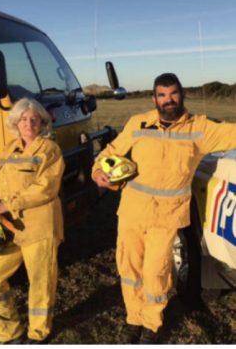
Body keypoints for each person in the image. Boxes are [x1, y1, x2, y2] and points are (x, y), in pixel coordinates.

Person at [92, 73, 236, 344]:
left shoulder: (200, 128)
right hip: (132, 212)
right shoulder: (138, 122)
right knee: (129, 269)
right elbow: (110, 152)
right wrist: (98, 170)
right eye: (162, 95)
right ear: (154, 98)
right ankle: (133, 319)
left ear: (182, 95)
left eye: (173, 94)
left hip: (167, 216)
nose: (168, 100)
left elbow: (233, 133)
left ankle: (152, 325)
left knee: (155, 272)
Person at [0, 98, 65, 344]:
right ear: (16, 122)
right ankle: (9, 333)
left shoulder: (49, 150)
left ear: (42, 122)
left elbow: (46, 188)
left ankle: (38, 334)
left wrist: (5, 205)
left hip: (40, 228)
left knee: (41, 283)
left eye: (34, 119)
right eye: (23, 119)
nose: (29, 123)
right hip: (7, 228)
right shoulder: (8, 148)